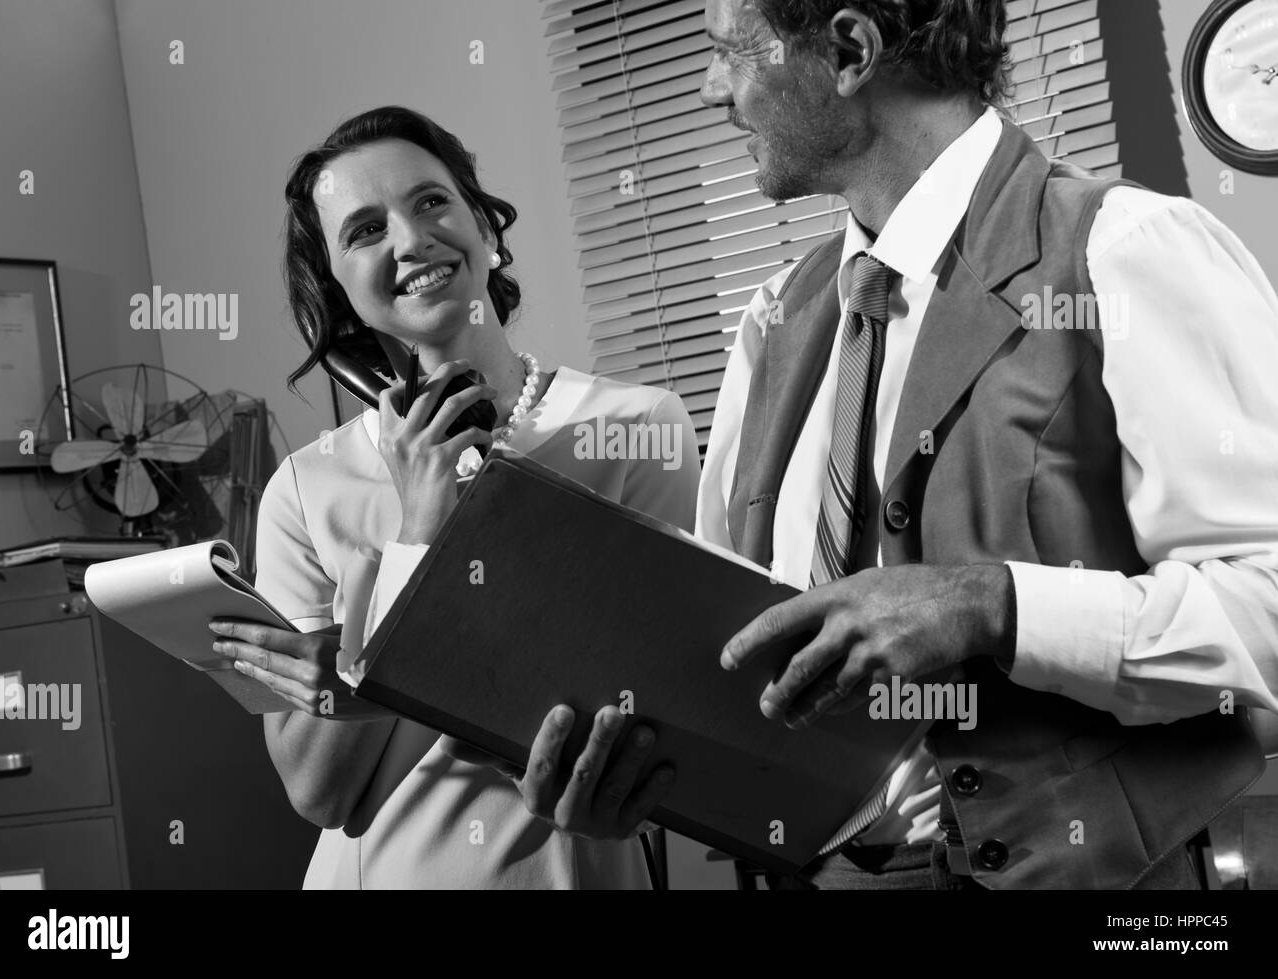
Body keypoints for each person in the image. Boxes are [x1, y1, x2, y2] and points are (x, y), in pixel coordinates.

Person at [496, 0, 1278, 890]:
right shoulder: (774, 324)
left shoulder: (1127, 251)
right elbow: (732, 665)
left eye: (730, 52)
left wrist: (992, 606)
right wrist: (645, 772)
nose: (712, 88)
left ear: (849, 49)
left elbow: (1270, 605)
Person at [207, 105, 698, 888]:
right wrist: (420, 536)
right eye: (365, 231)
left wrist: (367, 661)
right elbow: (318, 788)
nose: (409, 239)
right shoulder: (304, 488)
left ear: (485, 227)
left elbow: (648, 709)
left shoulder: (637, 427)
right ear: (341, 292)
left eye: (431, 201)